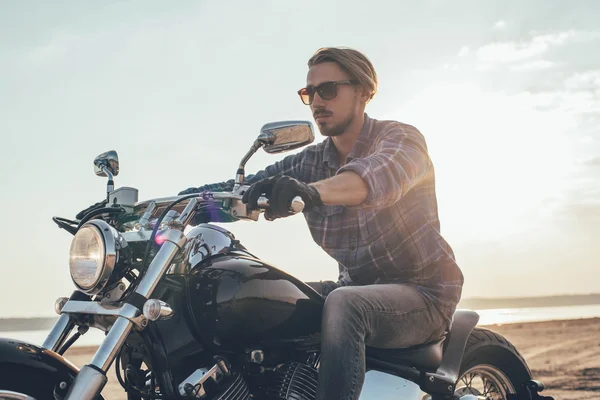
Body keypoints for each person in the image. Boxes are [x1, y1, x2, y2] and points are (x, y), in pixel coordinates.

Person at [179, 47, 464, 400]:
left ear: (363, 92)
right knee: (251, 295)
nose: (316, 101)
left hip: (423, 294)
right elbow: (236, 191)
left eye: (328, 90)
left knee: (345, 304)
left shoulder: (401, 140)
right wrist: (166, 205)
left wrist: (311, 193)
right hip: (353, 284)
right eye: (308, 92)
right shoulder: (310, 161)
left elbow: (375, 179)